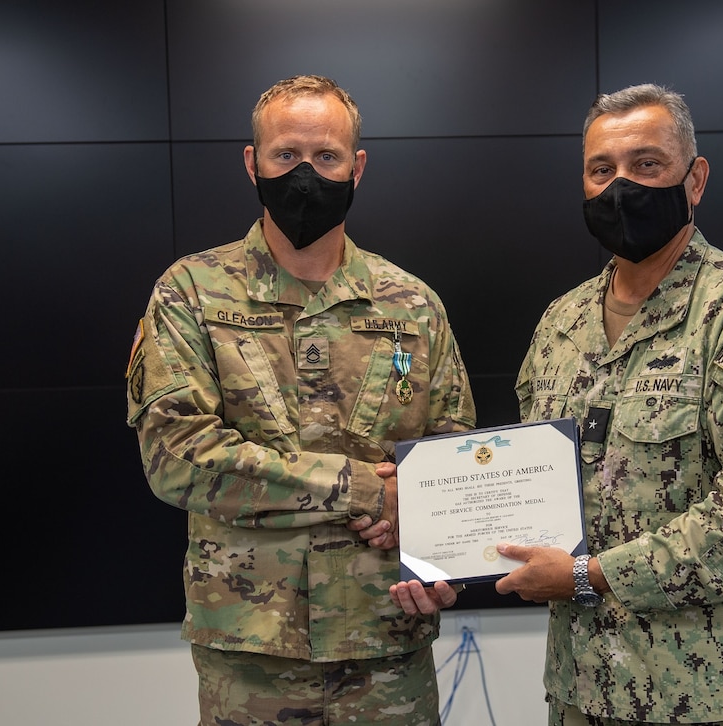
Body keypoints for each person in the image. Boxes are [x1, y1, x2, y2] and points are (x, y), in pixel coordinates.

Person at [392, 83, 723, 725]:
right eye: (602, 170)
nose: (622, 186)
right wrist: (450, 560)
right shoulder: (561, 324)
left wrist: (590, 576)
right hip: (580, 692)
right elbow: (524, 489)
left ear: (695, 179)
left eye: (647, 165)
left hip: (711, 697)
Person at [125, 74, 475, 725]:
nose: (306, 175)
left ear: (357, 167)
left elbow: (451, 458)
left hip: (387, 651)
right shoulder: (191, 294)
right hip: (253, 661)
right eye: (286, 155)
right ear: (252, 163)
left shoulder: (414, 304)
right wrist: (364, 490)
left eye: (327, 157)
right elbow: (177, 457)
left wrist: (441, 556)